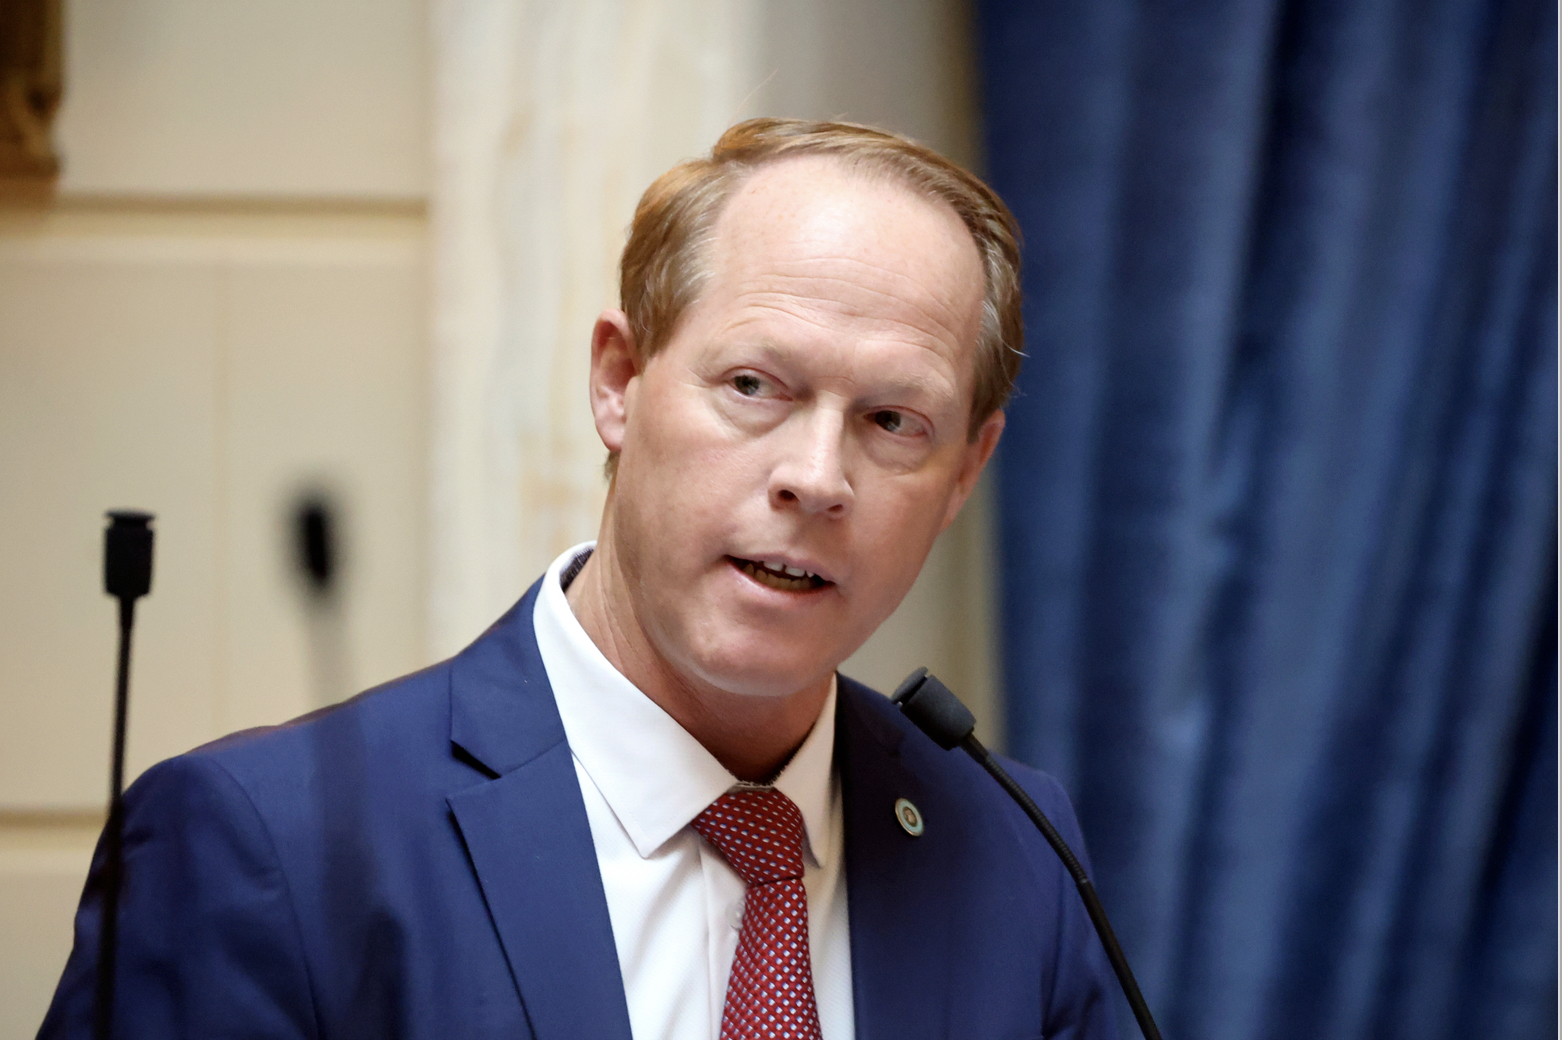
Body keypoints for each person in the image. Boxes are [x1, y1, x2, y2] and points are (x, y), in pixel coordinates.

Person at [40, 119, 1116, 1040]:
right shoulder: (268, 844)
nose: (816, 478)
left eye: (892, 421)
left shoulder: (1014, 850)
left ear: (966, 468)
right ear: (618, 382)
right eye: (752, 385)